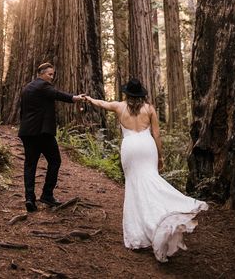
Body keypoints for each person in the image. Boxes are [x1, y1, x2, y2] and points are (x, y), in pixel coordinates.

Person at [85, 78, 208, 263]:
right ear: (142, 94)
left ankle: (140, 234)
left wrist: (88, 99)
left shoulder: (119, 106)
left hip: (130, 149)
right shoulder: (149, 109)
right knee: (152, 180)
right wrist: (161, 157)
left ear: (127, 94)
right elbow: (156, 134)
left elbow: (102, 103)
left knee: (134, 188)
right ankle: (163, 214)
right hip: (147, 146)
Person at [18, 62, 84, 212]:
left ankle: (29, 198)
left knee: (30, 165)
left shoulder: (26, 88)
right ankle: (47, 194)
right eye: (50, 74)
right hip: (42, 132)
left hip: (27, 132)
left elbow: (22, 111)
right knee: (55, 161)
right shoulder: (43, 86)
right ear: (41, 73)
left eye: (53, 74)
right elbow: (58, 95)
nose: (52, 77)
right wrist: (75, 98)